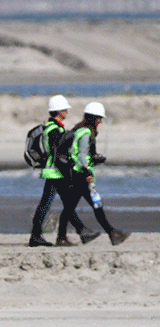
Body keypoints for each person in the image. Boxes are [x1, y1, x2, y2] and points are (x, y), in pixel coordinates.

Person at [29, 95, 100, 247]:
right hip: (56, 172)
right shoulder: (55, 130)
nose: (67, 111)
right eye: (65, 109)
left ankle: (78, 232)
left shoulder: (54, 128)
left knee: (60, 203)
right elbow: (58, 155)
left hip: (54, 172)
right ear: (59, 111)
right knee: (54, 204)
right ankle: (43, 236)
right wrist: (69, 172)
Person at [55, 102, 129, 247]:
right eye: (99, 118)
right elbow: (82, 156)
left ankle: (62, 237)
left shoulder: (79, 129)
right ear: (93, 118)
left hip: (76, 174)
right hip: (81, 176)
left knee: (73, 207)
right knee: (94, 205)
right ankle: (112, 234)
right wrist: (88, 171)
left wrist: (93, 160)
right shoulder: (86, 133)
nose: (100, 121)